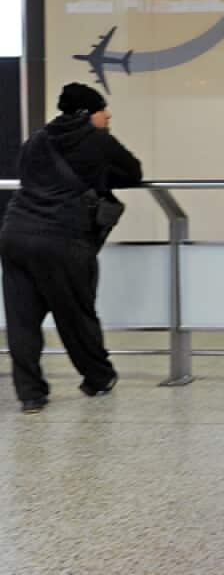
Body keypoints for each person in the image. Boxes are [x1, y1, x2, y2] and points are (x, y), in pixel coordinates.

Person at [0, 83, 143, 413]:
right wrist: (101, 176)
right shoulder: (97, 141)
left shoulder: (37, 139)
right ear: (88, 113)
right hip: (62, 238)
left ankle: (30, 394)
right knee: (76, 313)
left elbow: (30, 176)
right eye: (102, 110)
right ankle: (98, 377)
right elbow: (133, 173)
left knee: (22, 319)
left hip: (15, 234)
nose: (107, 115)